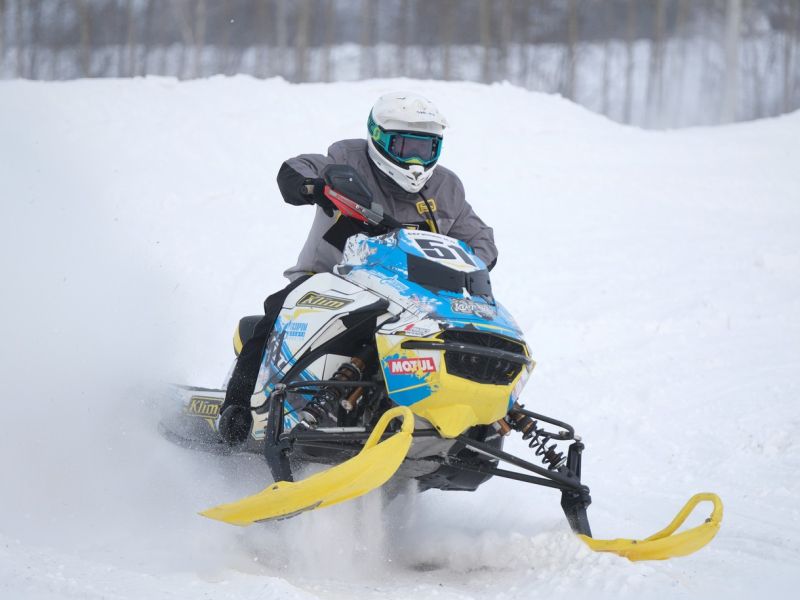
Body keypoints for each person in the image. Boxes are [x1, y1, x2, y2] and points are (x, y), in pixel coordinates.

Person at [218, 91, 498, 444]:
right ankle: (236, 410)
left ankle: (461, 421)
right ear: (379, 139)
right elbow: (299, 167)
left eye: (425, 148)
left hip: (411, 297)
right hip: (329, 279)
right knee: (279, 309)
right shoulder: (346, 159)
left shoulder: (447, 188)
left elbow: (480, 238)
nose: (415, 160)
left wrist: (474, 261)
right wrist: (314, 186)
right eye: (404, 145)